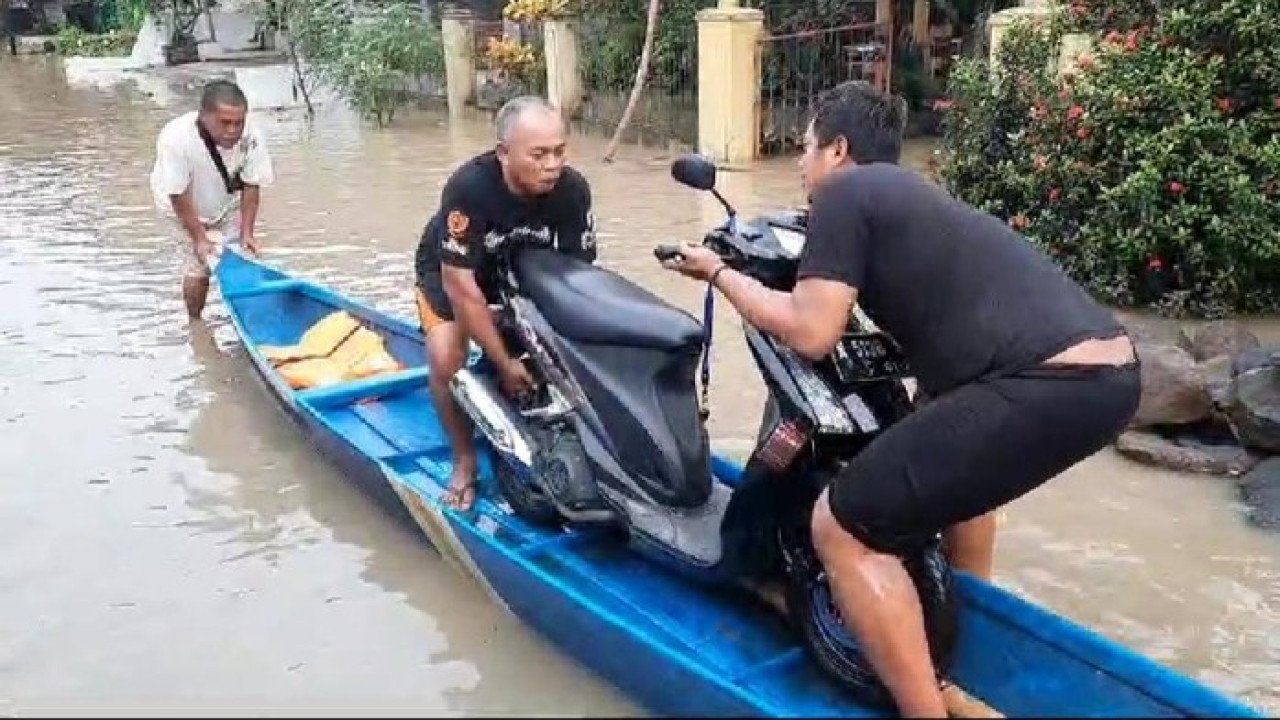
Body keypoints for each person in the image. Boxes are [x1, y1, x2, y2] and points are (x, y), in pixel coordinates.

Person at [660, 80, 1140, 717]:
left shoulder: (845, 194)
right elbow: (941, 335)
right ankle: (964, 639)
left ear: (837, 149)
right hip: (1109, 374)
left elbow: (811, 329)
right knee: (955, 478)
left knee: (842, 524)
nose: (801, 165)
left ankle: (925, 708)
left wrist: (718, 272)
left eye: (804, 149)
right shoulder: (917, 200)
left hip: (1044, 382)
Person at [414, 95, 598, 512]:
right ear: (504, 153)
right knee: (446, 357)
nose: (552, 164)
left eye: (559, 152)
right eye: (538, 154)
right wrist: (503, 361)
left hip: (514, 274)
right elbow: (461, 288)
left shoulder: (572, 191)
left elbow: (578, 280)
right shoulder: (470, 189)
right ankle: (464, 460)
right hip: (451, 275)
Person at [150, 80, 275, 320]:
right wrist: (199, 237)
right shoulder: (176, 139)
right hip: (179, 205)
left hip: (225, 201)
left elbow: (252, 184)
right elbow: (178, 193)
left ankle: (245, 316)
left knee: (242, 257)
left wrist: (247, 233)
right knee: (199, 265)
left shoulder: (251, 136)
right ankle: (196, 323)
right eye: (224, 123)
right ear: (204, 117)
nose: (233, 131)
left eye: (238, 123)